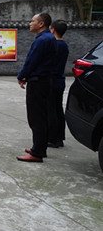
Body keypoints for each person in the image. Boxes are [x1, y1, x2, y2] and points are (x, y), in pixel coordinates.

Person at [16, 13, 57, 163]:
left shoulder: (42, 40)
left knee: (36, 117)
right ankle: (39, 147)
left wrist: (21, 75)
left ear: (41, 24)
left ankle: (37, 152)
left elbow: (31, 61)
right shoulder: (49, 38)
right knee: (41, 116)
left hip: (38, 82)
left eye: (33, 21)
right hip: (43, 80)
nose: (30, 23)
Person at [48, 20, 69, 148]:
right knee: (58, 108)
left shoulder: (54, 45)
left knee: (50, 109)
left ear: (53, 30)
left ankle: (52, 138)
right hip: (60, 79)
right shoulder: (64, 45)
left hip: (51, 79)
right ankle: (60, 137)